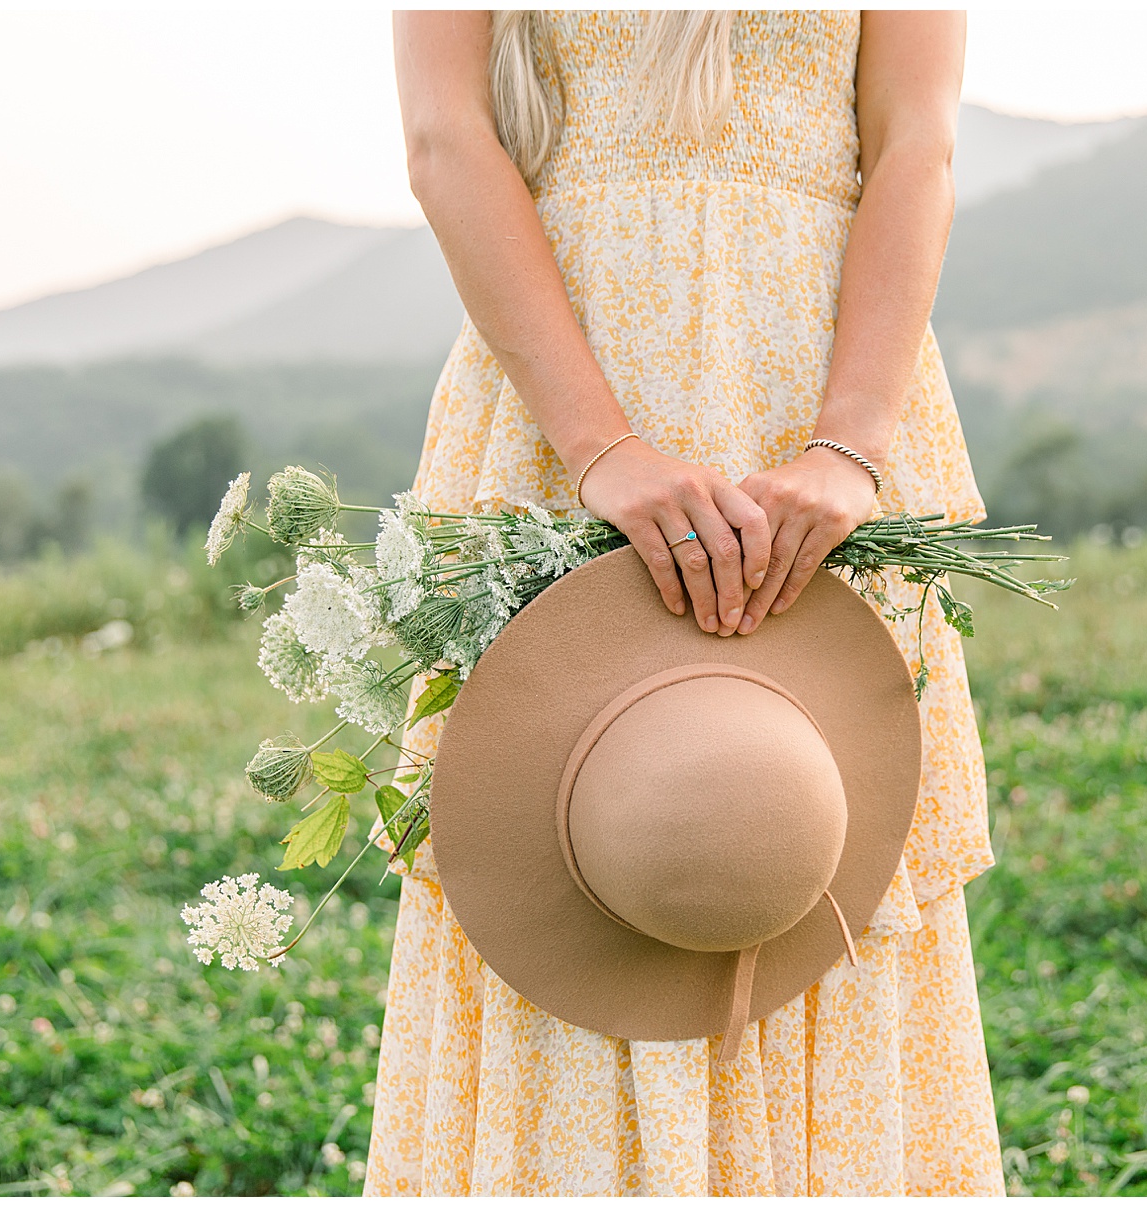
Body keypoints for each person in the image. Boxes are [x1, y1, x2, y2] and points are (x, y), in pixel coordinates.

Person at [364, 11, 1003, 1195]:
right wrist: (599, 444)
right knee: (571, 842)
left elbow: (917, 143)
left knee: (799, 832)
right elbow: (447, 135)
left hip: (812, 377)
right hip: (570, 375)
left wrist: (851, 451)